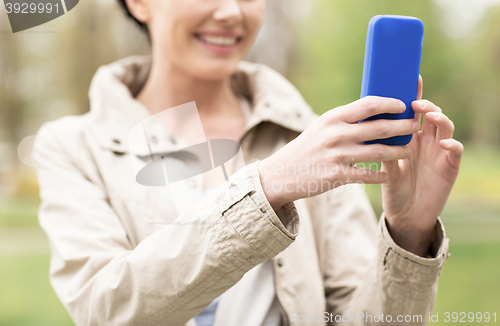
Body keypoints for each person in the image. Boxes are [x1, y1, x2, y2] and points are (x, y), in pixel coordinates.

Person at [34, 0, 463, 325]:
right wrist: (267, 186)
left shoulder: (316, 138)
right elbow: (105, 309)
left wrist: (408, 234)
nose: (231, 12)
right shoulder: (72, 147)